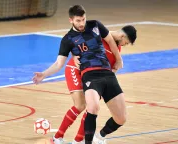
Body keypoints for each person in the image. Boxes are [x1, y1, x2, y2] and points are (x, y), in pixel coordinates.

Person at [32, 5, 137, 144]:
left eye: (83, 19)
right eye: (78, 20)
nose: (82, 23)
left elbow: (110, 49)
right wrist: (44, 74)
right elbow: (60, 62)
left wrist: (118, 61)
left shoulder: (98, 29)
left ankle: (78, 140)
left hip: (101, 74)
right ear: (71, 20)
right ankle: (58, 137)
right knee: (81, 106)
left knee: (93, 108)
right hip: (76, 70)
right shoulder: (71, 38)